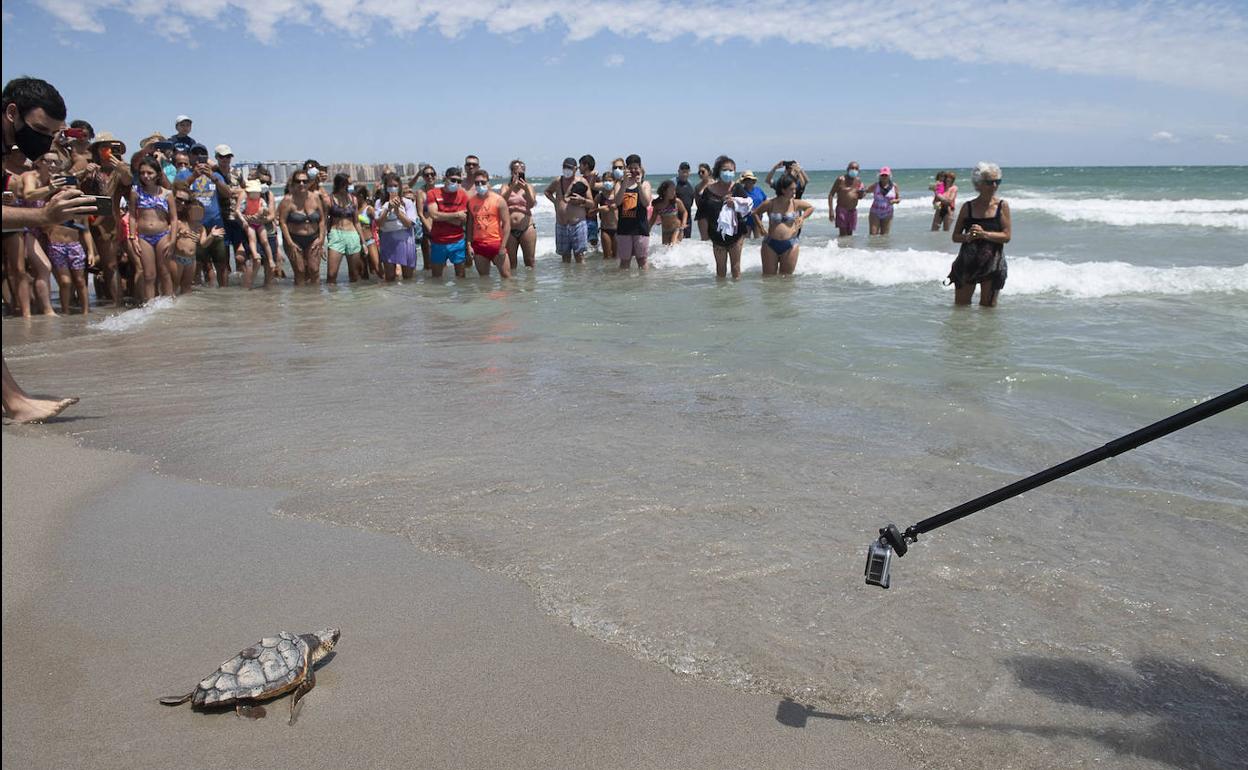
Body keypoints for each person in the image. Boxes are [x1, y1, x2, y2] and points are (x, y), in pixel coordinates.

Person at [2, 76, 96, 422]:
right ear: (12, 112)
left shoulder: (11, 146)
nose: (43, 141)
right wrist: (43, 215)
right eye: (40, 130)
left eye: (51, 133)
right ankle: (15, 403)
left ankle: (14, 400)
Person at [24, 150, 96, 314]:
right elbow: (30, 197)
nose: (68, 188)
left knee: (80, 281)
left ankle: (85, 313)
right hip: (53, 243)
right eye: (48, 161)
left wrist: (91, 251)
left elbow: (85, 230)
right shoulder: (51, 200)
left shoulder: (77, 205)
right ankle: (62, 311)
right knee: (64, 281)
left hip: (74, 245)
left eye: (55, 162)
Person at [948, 162, 1010, 307]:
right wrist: (968, 237)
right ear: (978, 184)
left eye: (997, 181)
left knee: (988, 310)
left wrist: (984, 234)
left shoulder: (1002, 206)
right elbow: (955, 236)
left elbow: (1006, 236)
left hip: (993, 263)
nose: (994, 185)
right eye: (989, 182)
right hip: (967, 262)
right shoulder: (968, 207)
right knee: (961, 307)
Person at [128, 156, 177, 301]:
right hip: (144, 237)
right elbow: (132, 216)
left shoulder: (167, 194)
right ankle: (149, 305)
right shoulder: (135, 191)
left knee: (164, 271)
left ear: (157, 174)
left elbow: (174, 219)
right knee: (149, 275)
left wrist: (173, 240)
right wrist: (133, 237)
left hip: (163, 235)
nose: (146, 176)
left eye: (150, 173)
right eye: (142, 173)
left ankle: (169, 303)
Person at [697, 155, 751, 279]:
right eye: (725, 170)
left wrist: (736, 204)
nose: (728, 173)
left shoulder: (738, 188)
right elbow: (702, 214)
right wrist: (704, 235)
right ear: (718, 171)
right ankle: (721, 291)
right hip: (716, 235)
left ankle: (736, 291)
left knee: (735, 267)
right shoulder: (708, 190)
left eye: (731, 170)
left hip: (736, 234)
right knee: (720, 269)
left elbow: (747, 208)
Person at [752, 174, 814, 275]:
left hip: (790, 244)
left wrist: (802, 218)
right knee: (768, 278)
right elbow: (755, 213)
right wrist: (761, 228)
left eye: (795, 189)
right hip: (770, 244)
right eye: (791, 189)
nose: (794, 191)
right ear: (783, 190)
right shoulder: (770, 203)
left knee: (786, 279)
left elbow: (810, 208)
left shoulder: (795, 203)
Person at [187, 150, 231, 286]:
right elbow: (177, 191)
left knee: (221, 262)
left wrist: (212, 177)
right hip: (194, 225)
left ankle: (224, 292)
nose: (199, 160)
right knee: (198, 263)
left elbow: (227, 193)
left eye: (202, 156)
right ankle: (199, 294)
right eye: (195, 155)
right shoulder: (185, 174)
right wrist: (193, 176)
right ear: (191, 157)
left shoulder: (216, 175)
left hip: (215, 223)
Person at [277, 168, 324, 286]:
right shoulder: (287, 201)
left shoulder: (315, 198)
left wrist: (321, 239)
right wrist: (290, 243)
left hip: (313, 238)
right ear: (293, 183)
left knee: (314, 270)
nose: (301, 184)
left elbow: (322, 220)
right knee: (300, 271)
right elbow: (282, 222)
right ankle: (300, 297)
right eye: (298, 181)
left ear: (309, 183)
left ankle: (317, 295)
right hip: (294, 239)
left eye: (304, 181)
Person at [545, 157, 593, 263]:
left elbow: (591, 203)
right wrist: (555, 202)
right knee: (565, 256)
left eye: (569, 167)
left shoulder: (582, 181)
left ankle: (581, 274)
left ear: (575, 169)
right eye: (564, 167)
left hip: (578, 224)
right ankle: (567, 274)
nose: (567, 169)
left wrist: (582, 200)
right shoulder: (558, 181)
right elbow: (547, 192)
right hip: (561, 224)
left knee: (579, 255)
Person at [466, 168, 511, 278]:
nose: (480, 185)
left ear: (488, 182)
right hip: (479, 245)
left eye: (483, 182)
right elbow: (470, 225)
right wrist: (469, 245)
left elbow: (507, 224)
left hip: (496, 244)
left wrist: (503, 246)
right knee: (484, 278)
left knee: (506, 277)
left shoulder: (499, 200)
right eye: (477, 183)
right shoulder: (471, 201)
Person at [426, 166, 470, 278]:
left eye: (459, 181)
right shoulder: (433, 193)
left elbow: (461, 221)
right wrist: (456, 214)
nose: (456, 183)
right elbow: (433, 215)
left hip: (458, 241)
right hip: (438, 241)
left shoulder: (463, 195)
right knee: (436, 278)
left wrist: (442, 216)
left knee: (461, 277)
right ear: (445, 179)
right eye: (453, 180)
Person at [374, 172, 419, 281]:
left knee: (408, 277)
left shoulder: (407, 203)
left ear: (399, 187)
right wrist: (387, 209)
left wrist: (397, 211)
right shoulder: (379, 203)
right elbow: (378, 224)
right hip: (387, 240)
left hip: (406, 241)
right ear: (385, 187)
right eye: (390, 186)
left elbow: (409, 224)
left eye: (395, 186)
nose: (393, 188)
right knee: (390, 277)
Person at [612, 154, 652, 270]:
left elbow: (646, 203)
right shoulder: (619, 184)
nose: (633, 171)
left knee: (642, 260)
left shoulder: (645, 184)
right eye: (630, 168)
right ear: (626, 169)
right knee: (624, 261)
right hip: (624, 228)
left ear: (640, 168)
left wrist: (639, 185)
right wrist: (625, 182)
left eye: (636, 168)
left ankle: (644, 280)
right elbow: (617, 202)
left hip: (640, 228)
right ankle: (625, 281)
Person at [324, 173, 365, 284]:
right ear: (341, 184)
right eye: (348, 183)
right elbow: (323, 221)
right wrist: (322, 240)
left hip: (352, 235)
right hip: (336, 234)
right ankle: (332, 294)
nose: (350, 186)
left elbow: (356, 222)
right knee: (331, 275)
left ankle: (355, 295)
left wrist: (363, 242)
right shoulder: (329, 199)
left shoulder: (353, 199)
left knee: (354, 274)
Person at [238, 179, 275, 287]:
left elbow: (269, 213)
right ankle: (254, 253)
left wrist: (261, 214)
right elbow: (238, 212)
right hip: (250, 224)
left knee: (265, 240)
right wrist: (245, 219)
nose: (254, 194)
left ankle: (270, 260)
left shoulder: (262, 199)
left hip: (260, 224)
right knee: (252, 240)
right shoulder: (245, 199)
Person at [501, 159, 537, 271]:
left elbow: (531, 204)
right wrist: (512, 187)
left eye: (521, 171)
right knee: (511, 263)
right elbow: (501, 202)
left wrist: (525, 189)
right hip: (510, 229)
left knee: (530, 261)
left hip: (526, 227)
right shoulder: (505, 186)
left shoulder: (528, 187)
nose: (518, 173)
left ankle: (530, 282)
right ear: (511, 172)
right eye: (516, 171)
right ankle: (513, 282)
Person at [168, 191, 204, 295]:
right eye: (179, 200)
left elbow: (203, 243)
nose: (182, 203)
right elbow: (166, 232)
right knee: (174, 284)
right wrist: (178, 234)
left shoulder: (199, 226)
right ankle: (170, 303)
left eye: (185, 202)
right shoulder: (179, 223)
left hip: (191, 260)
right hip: (177, 257)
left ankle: (186, 305)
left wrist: (210, 236)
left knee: (187, 286)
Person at [827, 161, 865, 237]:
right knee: (843, 234)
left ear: (858, 171)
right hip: (842, 210)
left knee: (850, 235)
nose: (854, 170)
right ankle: (841, 245)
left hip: (853, 210)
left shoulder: (858, 181)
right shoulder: (841, 179)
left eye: (856, 169)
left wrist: (862, 193)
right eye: (852, 168)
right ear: (848, 169)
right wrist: (831, 210)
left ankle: (848, 246)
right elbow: (831, 194)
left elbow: (859, 196)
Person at [648, 180, 687, 246]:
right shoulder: (658, 205)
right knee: (665, 249)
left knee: (672, 246)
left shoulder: (676, 202)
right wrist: (647, 231)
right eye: (671, 190)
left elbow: (684, 212)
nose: (674, 192)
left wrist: (683, 223)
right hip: (665, 231)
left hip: (677, 229)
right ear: (664, 192)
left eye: (674, 190)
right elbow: (652, 219)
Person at [354, 185, 381, 280]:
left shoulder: (369, 209)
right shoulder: (354, 209)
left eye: (355, 196)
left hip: (370, 241)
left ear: (361, 196)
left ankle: (386, 288)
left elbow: (379, 223)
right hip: (357, 243)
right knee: (362, 273)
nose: (353, 198)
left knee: (377, 269)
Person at [866, 167, 900, 235]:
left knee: (884, 235)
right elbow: (865, 190)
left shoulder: (894, 186)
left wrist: (894, 201)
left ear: (889, 176)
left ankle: (882, 243)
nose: (884, 177)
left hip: (888, 213)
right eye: (882, 175)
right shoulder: (876, 185)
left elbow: (898, 199)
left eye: (886, 175)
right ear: (879, 176)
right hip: (875, 212)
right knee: (873, 234)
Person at [594, 169, 619, 263]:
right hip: (605, 229)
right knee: (607, 257)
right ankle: (606, 271)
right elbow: (590, 212)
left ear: (614, 182)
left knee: (617, 256)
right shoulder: (600, 197)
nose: (607, 182)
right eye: (605, 180)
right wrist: (599, 209)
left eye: (610, 180)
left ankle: (616, 272)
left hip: (617, 229)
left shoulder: (618, 196)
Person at [579, 154, 600, 249]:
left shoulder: (596, 178)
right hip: (581, 216)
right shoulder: (580, 179)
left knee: (592, 244)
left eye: (580, 165)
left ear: (586, 165)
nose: (579, 167)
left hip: (591, 216)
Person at [737, 171, 767, 238]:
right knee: (746, 241)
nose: (748, 181)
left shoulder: (759, 190)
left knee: (758, 240)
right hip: (746, 221)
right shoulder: (741, 191)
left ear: (753, 181)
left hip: (758, 220)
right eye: (746, 180)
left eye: (750, 179)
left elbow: (766, 202)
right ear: (744, 181)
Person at [674, 162, 697, 240]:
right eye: (683, 172)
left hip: (688, 218)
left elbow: (692, 199)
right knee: (674, 242)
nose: (684, 174)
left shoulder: (691, 184)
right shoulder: (673, 183)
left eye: (686, 172)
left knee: (686, 242)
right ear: (678, 171)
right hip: (675, 217)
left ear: (689, 172)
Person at [693, 162, 712, 240]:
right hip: (702, 214)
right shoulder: (697, 187)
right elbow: (697, 202)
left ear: (709, 172)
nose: (701, 174)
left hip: (714, 213)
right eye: (699, 172)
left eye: (703, 172)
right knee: (704, 239)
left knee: (716, 239)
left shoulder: (715, 184)